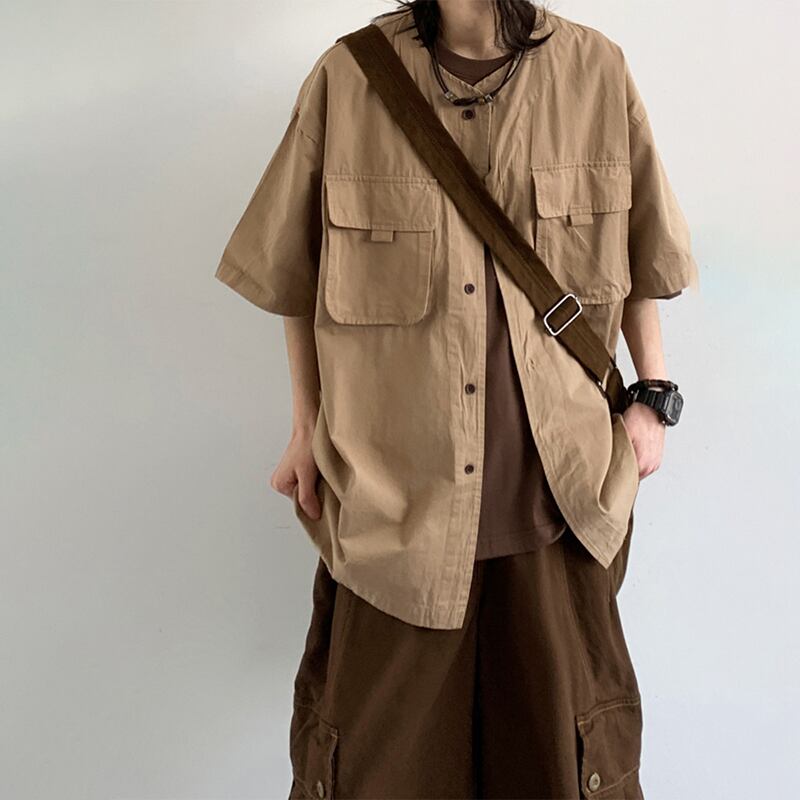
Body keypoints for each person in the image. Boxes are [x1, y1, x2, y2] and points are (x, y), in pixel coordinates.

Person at [215, 1, 698, 797]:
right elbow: (293, 279)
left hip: (559, 506)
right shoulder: (349, 78)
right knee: (372, 775)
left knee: (564, 771)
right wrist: (304, 429)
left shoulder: (596, 71)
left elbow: (643, 255)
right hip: (393, 513)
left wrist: (652, 394)